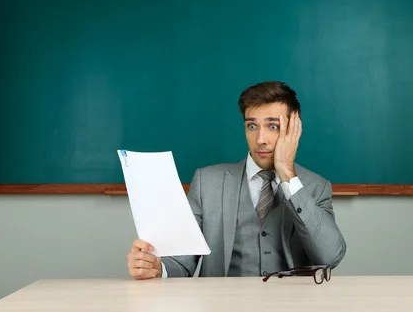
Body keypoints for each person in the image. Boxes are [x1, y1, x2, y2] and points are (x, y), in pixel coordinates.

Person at [127, 81, 346, 278]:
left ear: (293, 128)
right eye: (252, 126)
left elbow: (330, 257)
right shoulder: (207, 182)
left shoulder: (316, 187)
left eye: (273, 126)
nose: (260, 140)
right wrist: (157, 268)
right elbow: (183, 262)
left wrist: (287, 175)